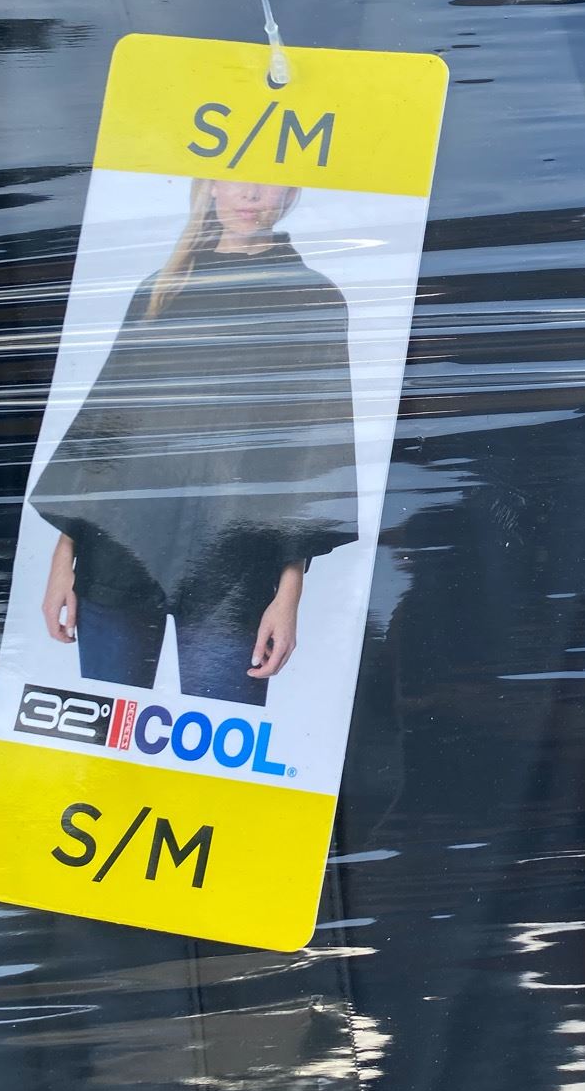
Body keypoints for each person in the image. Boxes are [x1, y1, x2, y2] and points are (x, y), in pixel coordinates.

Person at [31, 177, 358, 706]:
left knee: (218, 739)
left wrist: (288, 597)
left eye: (268, 183)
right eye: (237, 180)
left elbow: (313, 458)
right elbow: (102, 433)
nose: (250, 195)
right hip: (118, 554)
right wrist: (61, 562)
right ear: (209, 187)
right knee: (106, 733)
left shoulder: (313, 298)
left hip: (234, 566)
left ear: (291, 193)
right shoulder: (161, 290)